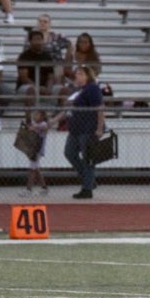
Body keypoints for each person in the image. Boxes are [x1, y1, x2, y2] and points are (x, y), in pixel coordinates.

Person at [56, 65, 103, 200]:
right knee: (70, 153)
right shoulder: (77, 90)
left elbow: (100, 108)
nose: (78, 76)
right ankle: (89, 180)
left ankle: (87, 188)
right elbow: (67, 110)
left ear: (88, 76)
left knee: (88, 158)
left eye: (81, 74)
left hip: (88, 129)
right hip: (75, 129)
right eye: (77, 73)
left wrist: (99, 128)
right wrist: (51, 122)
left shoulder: (92, 88)